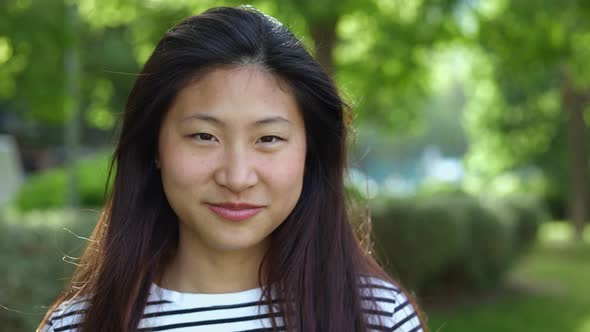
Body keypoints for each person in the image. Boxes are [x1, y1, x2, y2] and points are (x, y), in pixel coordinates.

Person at [38, 6, 426, 332]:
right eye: (204, 136)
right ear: (153, 146)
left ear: (311, 153)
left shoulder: (379, 318)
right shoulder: (77, 325)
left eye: (269, 139)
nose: (237, 177)